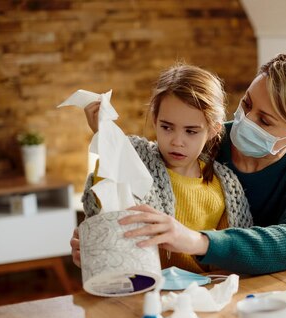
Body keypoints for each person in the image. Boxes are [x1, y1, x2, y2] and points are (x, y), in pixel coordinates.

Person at [72, 53, 286, 275]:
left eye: (265, 121)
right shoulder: (205, 138)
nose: (245, 119)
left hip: (256, 286)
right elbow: (140, 176)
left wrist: (196, 241)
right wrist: (104, 246)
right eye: (246, 104)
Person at [78, 64, 253, 273]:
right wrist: (107, 139)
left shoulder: (225, 187)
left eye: (191, 131)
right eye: (167, 127)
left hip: (199, 294)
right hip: (139, 290)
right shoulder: (133, 162)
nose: (177, 141)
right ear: (154, 119)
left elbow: (232, 257)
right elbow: (105, 210)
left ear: (213, 130)